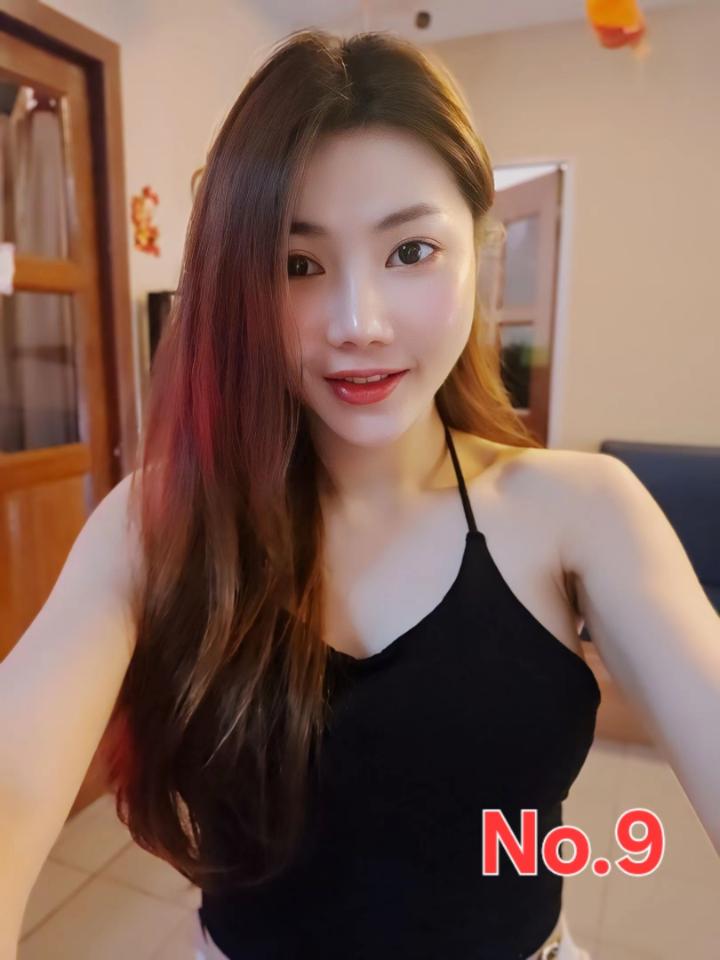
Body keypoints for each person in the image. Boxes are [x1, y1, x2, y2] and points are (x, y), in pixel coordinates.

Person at [2, 27, 719, 960]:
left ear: (480, 249)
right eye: (297, 265)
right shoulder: (157, 524)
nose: (358, 323)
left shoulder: (581, 512)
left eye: (411, 250)